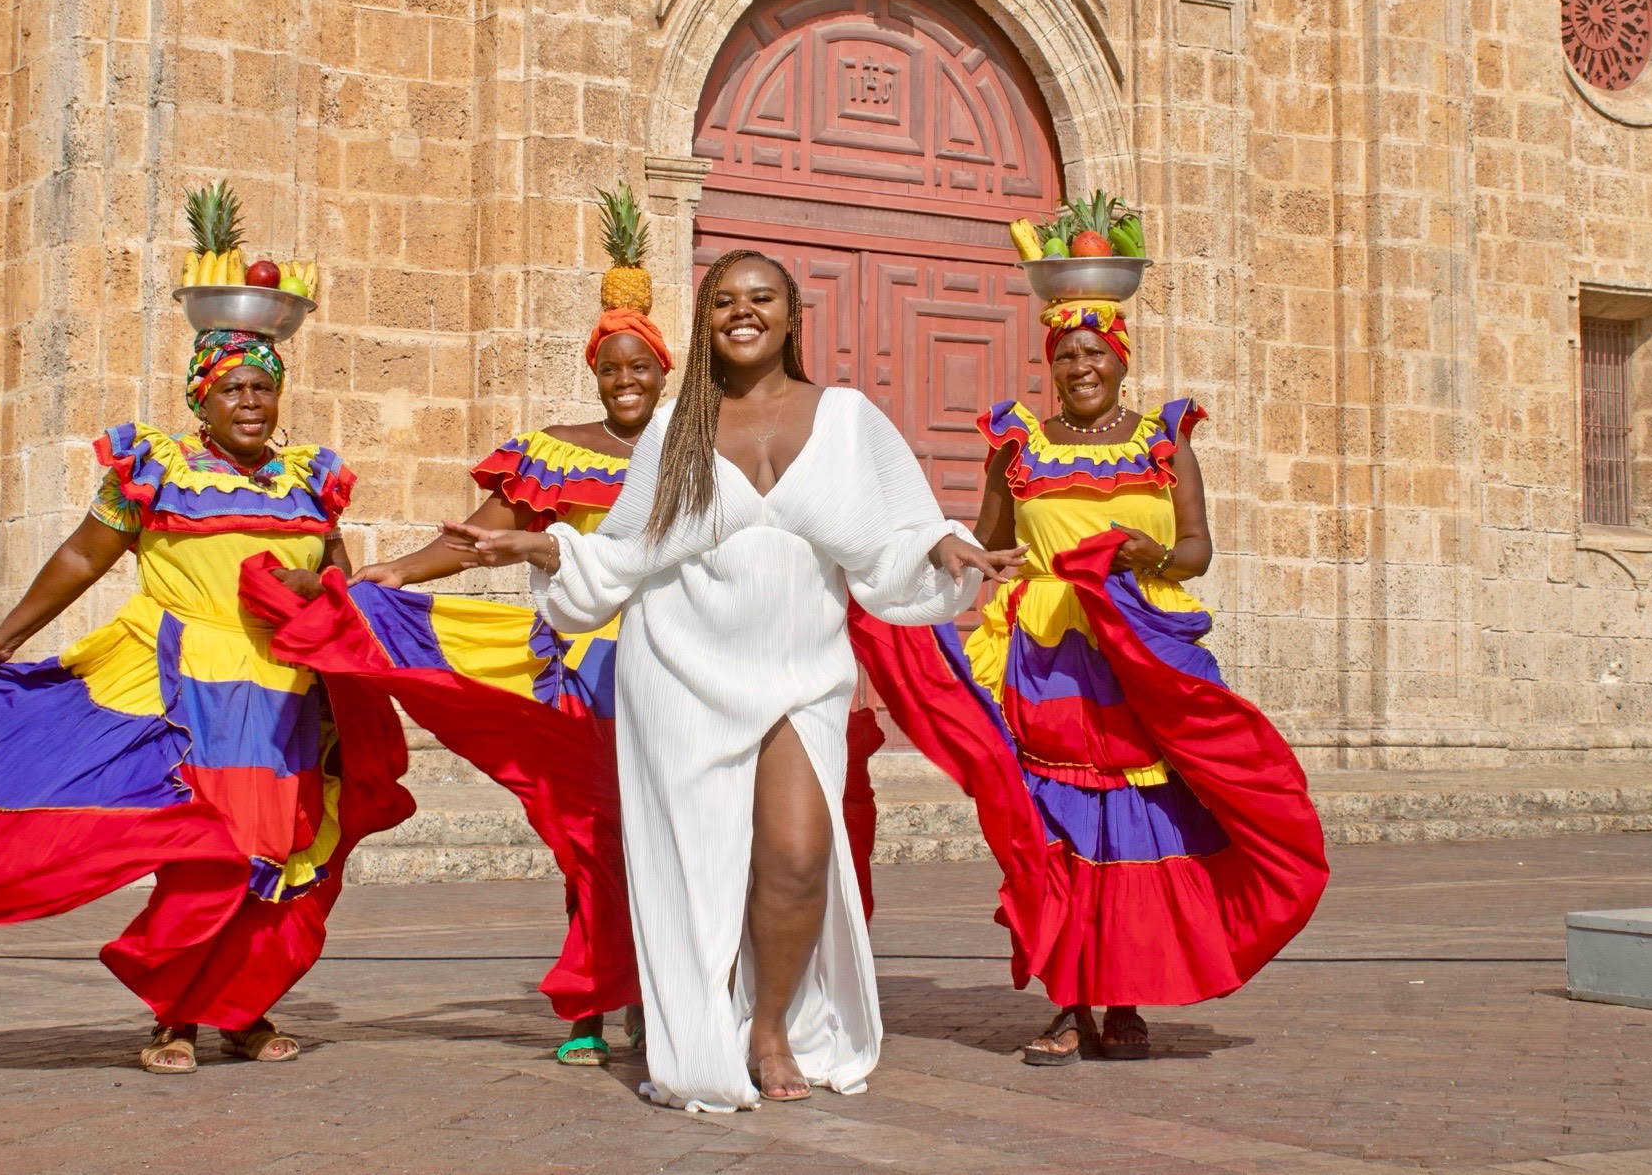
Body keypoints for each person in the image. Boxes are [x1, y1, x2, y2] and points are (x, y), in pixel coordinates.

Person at [444, 251, 1023, 1112]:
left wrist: (939, 544)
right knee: (695, 863)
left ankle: (772, 1025)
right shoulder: (678, 425)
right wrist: (546, 545)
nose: (741, 313)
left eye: (760, 299)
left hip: (801, 669)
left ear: (792, 317)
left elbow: (892, 533)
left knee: (797, 852)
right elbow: (624, 552)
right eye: (723, 300)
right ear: (706, 317)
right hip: (679, 666)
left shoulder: (848, 418)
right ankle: (703, 1023)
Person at [0, 326, 412, 1075]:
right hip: (185, 697)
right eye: (232, 387)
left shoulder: (308, 480)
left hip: (285, 702)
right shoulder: (156, 471)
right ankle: (175, 1015)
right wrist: (7, 633)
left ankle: (239, 1009)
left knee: (281, 856)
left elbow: (343, 582)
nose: (250, 401)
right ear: (200, 395)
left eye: (262, 387)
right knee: (207, 854)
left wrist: (323, 596)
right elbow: (82, 553)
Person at [849, 298, 1327, 1066]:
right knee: (1060, 823)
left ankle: (1127, 998)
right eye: (1066, 355)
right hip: (1049, 658)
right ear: (1051, 364)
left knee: (1138, 820)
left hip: (1138, 656)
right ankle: (1069, 1002)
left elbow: (1197, 547)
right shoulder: (1019, 447)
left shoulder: (1163, 442)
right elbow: (992, 543)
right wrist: (929, 578)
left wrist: (1153, 555)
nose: (1081, 368)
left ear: (1121, 357)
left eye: (1094, 353)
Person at [349, 307, 674, 1065]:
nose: (625, 381)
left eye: (639, 366)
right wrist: (398, 571)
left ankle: (658, 1000)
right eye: (611, 368)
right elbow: (476, 541)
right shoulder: (558, 453)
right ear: (595, 375)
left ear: (665, 371)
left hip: (674, 667)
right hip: (584, 676)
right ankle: (591, 1006)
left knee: (669, 839)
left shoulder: (694, 448)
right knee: (593, 843)